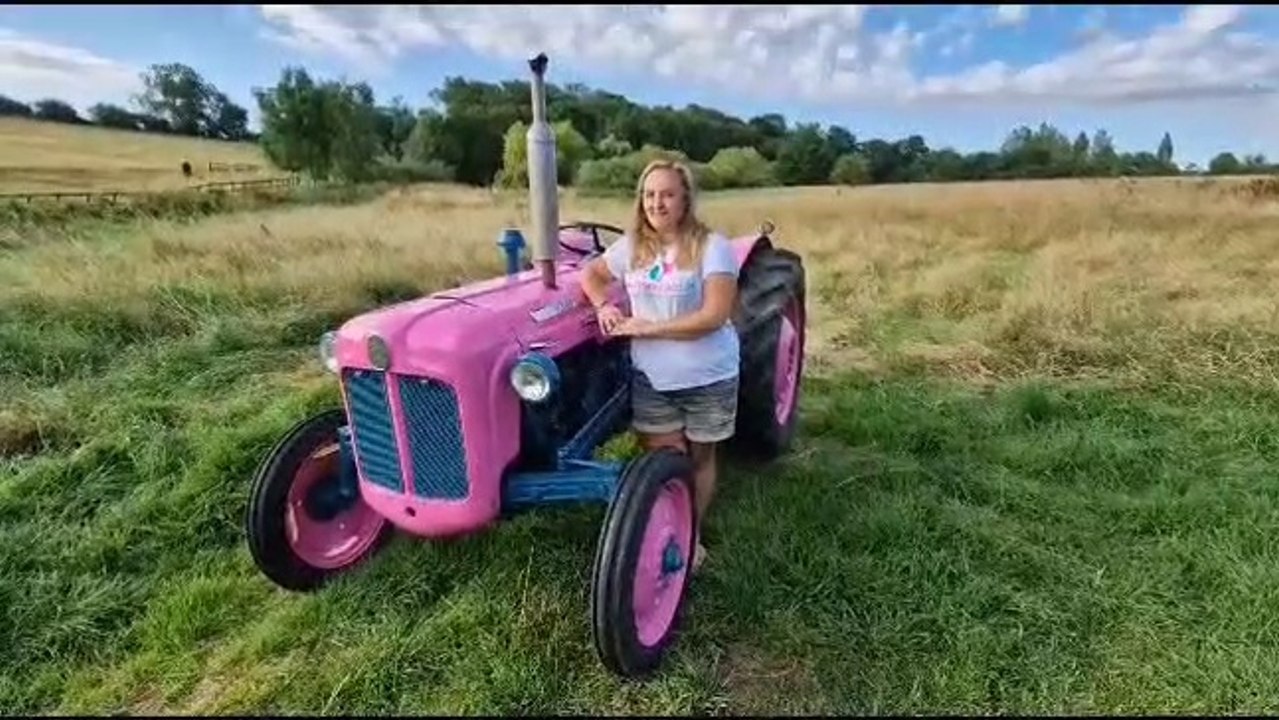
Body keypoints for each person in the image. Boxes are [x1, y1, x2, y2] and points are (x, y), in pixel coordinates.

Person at [579, 159, 740, 573]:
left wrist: (646, 329)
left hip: (709, 376)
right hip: (653, 378)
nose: (657, 203)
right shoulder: (633, 245)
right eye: (649, 195)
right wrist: (603, 305)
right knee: (665, 461)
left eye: (667, 194)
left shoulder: (712, 246)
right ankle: (668, 526)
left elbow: (715, 315)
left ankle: (692, 533)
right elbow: (591, 274)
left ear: (685, 198)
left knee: (700, 459)